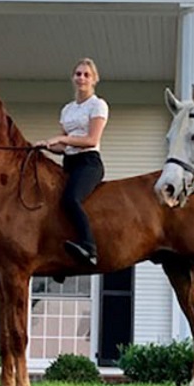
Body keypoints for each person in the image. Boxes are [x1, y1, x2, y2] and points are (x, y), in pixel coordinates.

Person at [36, 58, 109, 266]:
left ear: (94, 80)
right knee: (51, 205)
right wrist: (46, 145)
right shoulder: (68, 109)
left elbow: (91, 140)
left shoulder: (98, 105)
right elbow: (63, 148)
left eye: (86, 74)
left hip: (89, 163)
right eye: (78, 74)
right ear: (73, 78)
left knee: (71, 199)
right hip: (69, 163)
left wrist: (61, 138)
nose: (81, 78)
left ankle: (90, 248)